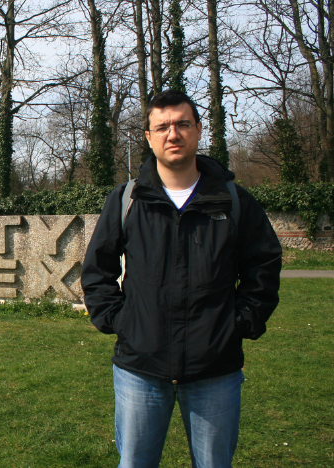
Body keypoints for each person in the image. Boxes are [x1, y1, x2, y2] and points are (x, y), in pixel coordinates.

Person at [80, 90, 282, 468]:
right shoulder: (127, 200)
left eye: (182, 124)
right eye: (162, 127)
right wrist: (120, 321)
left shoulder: (234, 201)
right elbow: (97, 269)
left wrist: (242, 321)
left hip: (215, 370)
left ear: (198, 130)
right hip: (140, 368)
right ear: (148, 136)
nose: (173, 134)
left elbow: (264, 267)